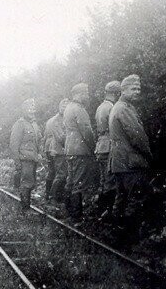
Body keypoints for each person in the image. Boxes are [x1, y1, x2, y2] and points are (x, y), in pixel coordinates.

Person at [109, 74, 152, 228]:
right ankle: (129, 236)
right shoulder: (124, 109)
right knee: (135, 198)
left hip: (120, 162)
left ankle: (117, 232)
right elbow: (137, 136)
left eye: (139, 88)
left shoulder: (119, 107)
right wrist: (149, 155)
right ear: (123, 91)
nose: (137, 91)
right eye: (133, 89)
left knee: (121, 197)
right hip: (130, 162)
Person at [63, 83, 96, 220]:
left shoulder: (68, 108)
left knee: (70, 181)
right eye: (85, 93)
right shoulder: (79, 109)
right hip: (80, 151)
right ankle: (77, 216)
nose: (87, 96)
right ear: (79, 94)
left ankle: (68, 211)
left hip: (70, 149)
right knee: (79, 183)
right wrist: (93, 146)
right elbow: (86, 131)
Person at [9, 98, 42, 210]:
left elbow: (38, 141)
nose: (32, 109)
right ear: (24, 110)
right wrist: (17, 162)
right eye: (29, 107)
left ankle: (26, 207)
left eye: (33, 107)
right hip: (24, 159)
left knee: (31, 183)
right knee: (26, 184)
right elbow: (14, 145)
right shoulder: (20, 124)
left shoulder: (34, 124)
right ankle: (25, 210)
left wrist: (39, 154)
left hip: (33, 159)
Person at [95, 80, 122, 210]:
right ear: (116, 93)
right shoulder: (111, 107)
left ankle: (100, 210)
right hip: (109, 146)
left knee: (104, 179)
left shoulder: (100, 107)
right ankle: (106, 212)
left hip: (101, 146)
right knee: (110, 180)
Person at [43, 98, 69, 203]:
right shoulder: (57, 120)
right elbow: (60, 137)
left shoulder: (52, 119)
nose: (65, 108)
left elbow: (45, 137)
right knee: (61, 173)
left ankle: (49, 194)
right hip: (57, 150)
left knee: (52, 172)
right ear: (59, 107)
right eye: (63, 106)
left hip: (51, 149)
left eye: (66, 106)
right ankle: (53, 196)